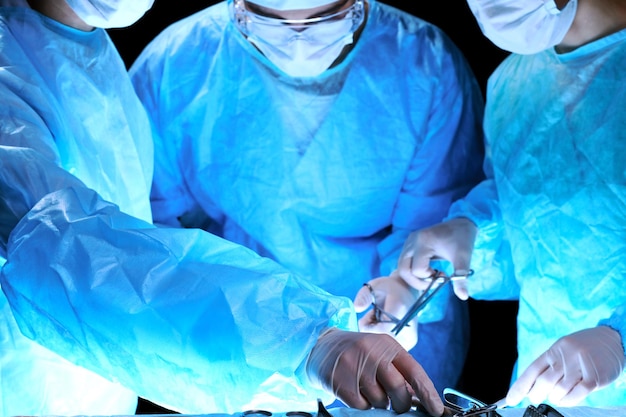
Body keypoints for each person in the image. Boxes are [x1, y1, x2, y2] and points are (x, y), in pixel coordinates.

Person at [0, 0, 446, 416]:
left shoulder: (85, 51)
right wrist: (302, 340)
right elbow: (66, 251)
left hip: (104, 386)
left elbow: (138, 234)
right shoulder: (15, 72)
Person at [128, 0, 486, 398]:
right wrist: (250, 328)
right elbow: (150, 235)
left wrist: (408, 285)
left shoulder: (425, 64)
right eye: (269, 20)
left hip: (379, 337)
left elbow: (431, 221)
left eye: (327, 16)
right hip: (233, 338)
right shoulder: (176, 66)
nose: (298, 41)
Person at [381, 0, 626, 409]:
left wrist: (620, 339)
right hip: (545, 394)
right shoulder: (514, 85)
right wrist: (465, 238)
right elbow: (546, 245)